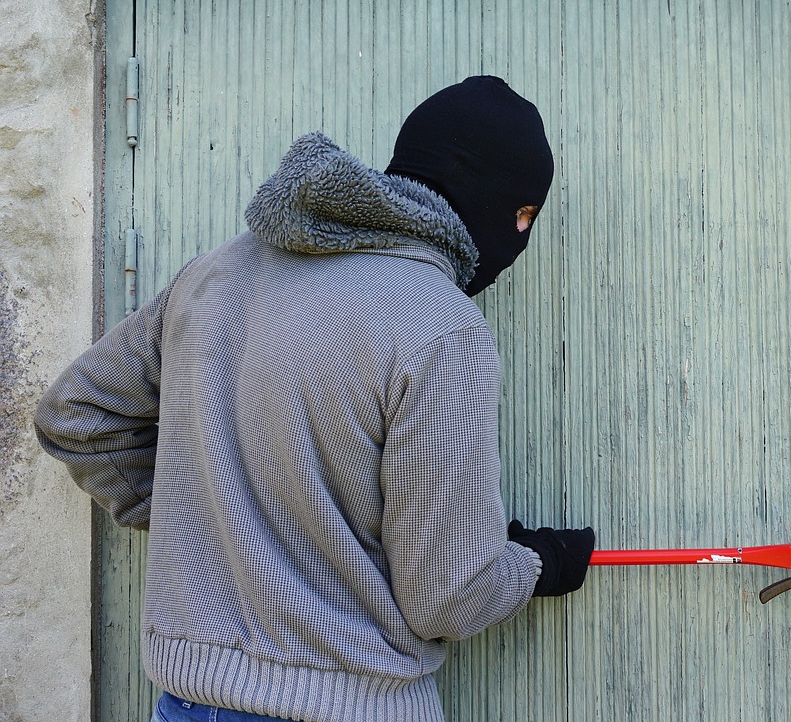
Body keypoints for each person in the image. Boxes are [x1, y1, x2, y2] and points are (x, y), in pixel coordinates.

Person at [34, 76, 594, 722]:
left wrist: (218, 514)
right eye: (522, 214)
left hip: (187, 703)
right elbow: (447, 597)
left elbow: (77, 414)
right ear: (481, 193)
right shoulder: (442, 326)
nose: (519, 236)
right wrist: (538, 563)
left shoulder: (213, 274)